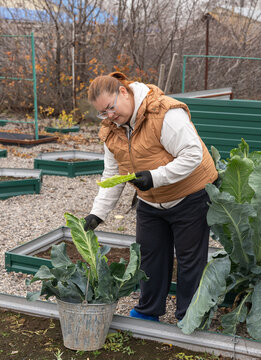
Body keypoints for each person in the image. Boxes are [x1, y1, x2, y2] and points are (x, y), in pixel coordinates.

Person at [84, 71, 218, 321]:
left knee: (190, 260)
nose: (109, 116)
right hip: (150, 200)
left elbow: (192, 154)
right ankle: (149, 310)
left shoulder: (164, 113)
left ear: (123, 92)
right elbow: (113, 173)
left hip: (190, 194)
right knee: (150, 256)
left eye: (111, 108)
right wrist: (97, 213)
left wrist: (155, 177)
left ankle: (189, 316)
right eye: (103, 113)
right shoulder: (112, 129)